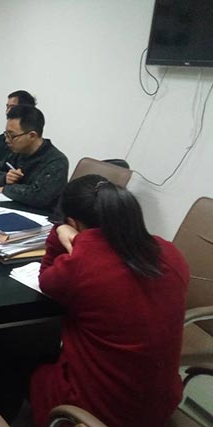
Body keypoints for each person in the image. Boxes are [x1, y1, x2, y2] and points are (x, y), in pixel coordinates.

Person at [30, 174, 189, 427]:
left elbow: (46, 280)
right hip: (159, 405)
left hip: (98, 412)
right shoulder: (171, 252)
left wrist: (59, 232)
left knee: (30, 364)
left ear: (73, 223)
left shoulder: (81, 263)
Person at [0, 105, 68, 210]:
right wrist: (5, 178)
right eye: (6, 134)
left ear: (32, 135)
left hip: (40, 215)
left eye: (12, 135)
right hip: (12, 207)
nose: (7, 140)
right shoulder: (17, 152)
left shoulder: (57, 161)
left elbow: (38, 196)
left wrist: (6, 189)